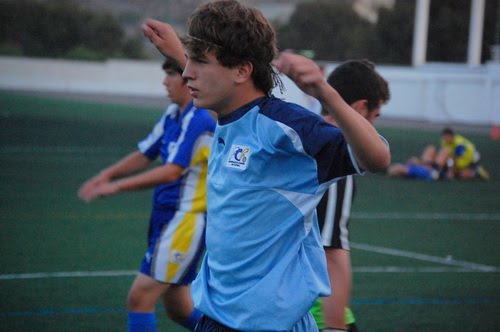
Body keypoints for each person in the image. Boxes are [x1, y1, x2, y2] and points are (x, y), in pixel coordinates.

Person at [142, 1, 391, 331]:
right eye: (189, 61)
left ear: (243, 71)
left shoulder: (286, 128)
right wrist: (178, 50)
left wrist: (323, 91)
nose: (187, 72)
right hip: (216, 318)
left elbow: (378, 158)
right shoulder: (228, 115)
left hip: (271, 324)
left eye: (200, 62)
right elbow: (221, 82)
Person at [77, 57, 216, 331]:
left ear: (189, 80)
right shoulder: (173, 114)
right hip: (165, 218)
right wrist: (106, 175)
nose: (165, 82)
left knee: (139, 297)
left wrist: (116, 187)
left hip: (185, 222)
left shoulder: (199, 119)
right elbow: (146, 153)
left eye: (171, 75)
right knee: (178, 308)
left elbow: (171, 172)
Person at [310, 59, 390, 332]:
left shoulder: (305, 132)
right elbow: (331, 252)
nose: (374, 128)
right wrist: (335, 327)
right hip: (311, 312)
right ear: (361, 108)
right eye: (375, 117)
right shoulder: (336, 152)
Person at [388, 128, 489, 181]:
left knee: (461, 174)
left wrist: (450, 170)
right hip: (438, 169)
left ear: (451, 136)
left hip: (467, 163)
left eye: (446, 137)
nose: (444, 139)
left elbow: (455, 159)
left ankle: (475, 171)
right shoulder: (446, 142)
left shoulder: (460, 144)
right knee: (432, 149)